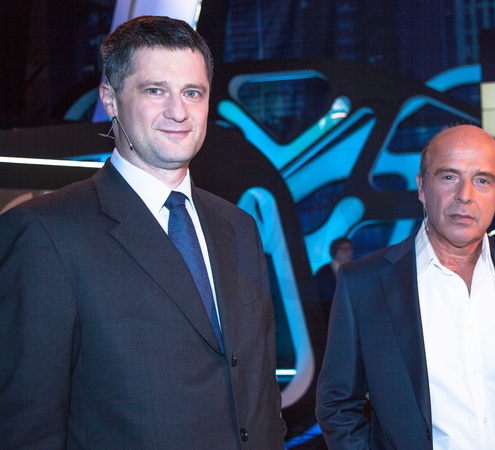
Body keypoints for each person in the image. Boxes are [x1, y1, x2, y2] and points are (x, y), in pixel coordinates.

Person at [0, 16, 285, 449]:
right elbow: (28, 427)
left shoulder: (238, 225)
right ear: (110, 99)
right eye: (155, 90)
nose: (178, 111)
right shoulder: (46, 233)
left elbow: (258, 385)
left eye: (192, 92)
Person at [315, 125, 495, 449]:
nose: (465, 194)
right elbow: (338, 404)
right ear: (421, 187)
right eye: (449, 176)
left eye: (483, 180)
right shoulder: (364, 284)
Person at [315, 237, 354, 324]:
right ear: (335, 251)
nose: (350, 252)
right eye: (345, 249)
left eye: (351, 249)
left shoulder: (353, 270)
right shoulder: (323, 272)